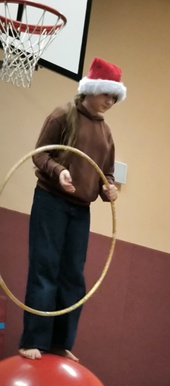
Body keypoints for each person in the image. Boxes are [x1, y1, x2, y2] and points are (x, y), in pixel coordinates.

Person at [18, 57, 127, 362]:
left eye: (114, 98)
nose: (110, 102)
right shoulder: (63, 115)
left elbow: (106, 174)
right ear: (91, 89)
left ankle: (60, 342)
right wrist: (59, 171)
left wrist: (109, 189)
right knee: (45, 269)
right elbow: (40, 155)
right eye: (106, 94)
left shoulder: (106, 133)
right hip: (50, 201)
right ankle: (33, 340)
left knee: (72, 277)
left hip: (81, 210)